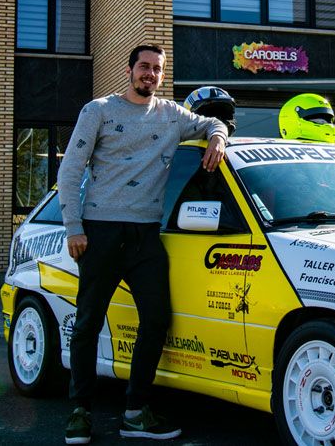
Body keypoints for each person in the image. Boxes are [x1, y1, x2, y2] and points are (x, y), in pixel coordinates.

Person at [57, 44, 228, 445]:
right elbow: (70, 171)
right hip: (99, 232)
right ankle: (80, 412)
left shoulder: (171, 115)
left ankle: (135, 411)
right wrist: (73, 228)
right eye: (144, 67)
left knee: (156, 320)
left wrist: (217, 139)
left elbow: (211, 123)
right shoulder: (98, 110)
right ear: (130, 69)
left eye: (157, 69)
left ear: (162, 76)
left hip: (146, 235)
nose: (149, 74)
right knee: (87, 323)